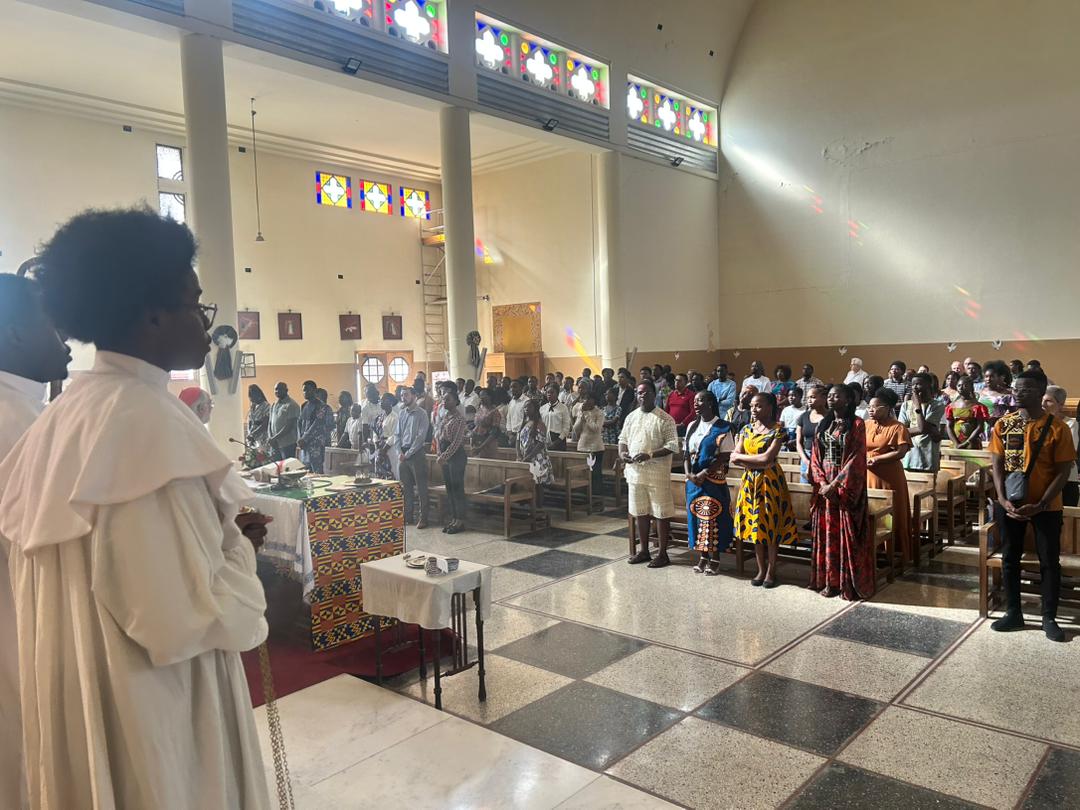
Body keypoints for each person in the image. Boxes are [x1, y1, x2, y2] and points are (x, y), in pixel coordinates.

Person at [0, 207, 269, 808]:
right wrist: (241, 553)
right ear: (152, 315)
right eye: (196, 307)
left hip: (83, 686)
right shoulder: (142, 424)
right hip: (153, 704)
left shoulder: (68, 413)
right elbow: (176, 617)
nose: (207, 327)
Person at [0, 274, 71, 808]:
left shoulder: (28, 413)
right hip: (23, 616)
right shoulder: (20, 423)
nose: (65, 340)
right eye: (52, 326)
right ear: (13, 333)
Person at [988, 370, 1075, 641]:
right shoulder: (1004, 424)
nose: (1017, 393)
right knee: (1010, 558)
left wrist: (1041, 503)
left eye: (1025, 389)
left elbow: (1063, 471)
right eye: (1016, 389)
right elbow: (997, 465)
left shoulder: (1057, 428)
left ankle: (1049, 617)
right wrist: (1002, 499)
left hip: (1046, 507)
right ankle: (1014, 612)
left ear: (1040, 392)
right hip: (1010, 505)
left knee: (1049, 561)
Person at [808, 384, 874, 600]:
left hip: (845, 488)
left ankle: (846, 583)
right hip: (824, 485)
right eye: (829, 396)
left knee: (845, 535)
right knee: (827, 533)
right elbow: (815, 456)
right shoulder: (824, 424)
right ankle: (828, 581)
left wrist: (834, 485)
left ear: (847, 400)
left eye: (836, 396)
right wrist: (821, 482)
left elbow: (856, 458)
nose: (831, 399)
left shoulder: (857, 424)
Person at [731, 392, 798, 586]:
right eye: (752, 405)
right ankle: (760, 570)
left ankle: (771, 571)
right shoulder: (746, 429)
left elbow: (767, 458)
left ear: (770, 407)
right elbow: (734, 457)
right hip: (750, 482)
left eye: (759, 405)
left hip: (770, 481)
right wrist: (754, 461)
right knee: (756, 525)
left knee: (770, 526)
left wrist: (746, 459)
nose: (754, 409)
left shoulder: (778, 430)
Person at [620, 380, 680, 568]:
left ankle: (662, 554)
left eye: (646, 393)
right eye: (639, 393)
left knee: (661, 513)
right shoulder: (631, 417)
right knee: (641, 512)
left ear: (654, 395)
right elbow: (622, 439)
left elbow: (672, 445)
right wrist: (622, 454)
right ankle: (644, 551)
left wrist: (650, 455)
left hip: (657, 475)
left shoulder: (665, 418)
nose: (642, 396)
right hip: (636, 474)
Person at [684, 390, 736, 575]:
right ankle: (703, 556)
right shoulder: (692, 425)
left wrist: (705, 472)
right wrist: (689, 474)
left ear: (711, 403)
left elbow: (725, 455)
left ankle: (715, 558)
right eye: (695, 400)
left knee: (713, 518)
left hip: (713, 480)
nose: (696, 403)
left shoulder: (723, 427)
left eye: (701, 400)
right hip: (693, 481)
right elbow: (686, 454)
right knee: (697, 519)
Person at [864, 389, 913, 559]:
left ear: (887, 408)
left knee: (892, 511)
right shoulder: (866, 425)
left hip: (889, 475)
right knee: (872, 509)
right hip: (868, 474)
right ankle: (873, 548)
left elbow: (901, 451)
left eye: (875, 407)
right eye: (869, 407)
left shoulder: (897, 427)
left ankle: (895, 551)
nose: (871, 410)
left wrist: (877, 459)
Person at [396, 385, 432, 527]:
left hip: (416, 453)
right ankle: (408, 516)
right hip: (403, 453)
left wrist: (408, 453)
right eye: (401, 395)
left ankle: (423, 518)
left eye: (406, 394)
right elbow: (397, 434)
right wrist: (399, 452)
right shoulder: (402, 413)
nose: (403, 397)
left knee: (421, 487)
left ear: (414, 396)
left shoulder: (422, 414)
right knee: (406, 487)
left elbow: (420, 437)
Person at [435, 385, 468, 534]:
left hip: (456, 457)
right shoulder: (445, 417)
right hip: (445, 455)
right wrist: (439, 453)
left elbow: (456, 442)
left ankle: (460, 520)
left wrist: (444, 456)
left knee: (457, 488)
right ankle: (453, 518)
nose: (444, 402)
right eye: (443, 399)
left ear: (455, 401)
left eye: (448, 399)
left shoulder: (460, 419)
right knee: (449, 489)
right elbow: (438, 436)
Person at [900, 373, 946, 474]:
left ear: (929, 385)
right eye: (913, 384)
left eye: (918, 384)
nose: (915, 387)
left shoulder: (937, 405)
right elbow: (901, 431)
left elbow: (923, 428)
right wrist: (927, 429)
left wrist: (917, 406)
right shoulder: (906, 405)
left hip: (928, 458)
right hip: (909, 456)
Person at [1042, 386, 1079, 508]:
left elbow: (1068, 454)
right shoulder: (1036, 424)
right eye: (1042, 400)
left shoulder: (1071, 425)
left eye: (1048, 401)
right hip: (1042, 479)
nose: (1043, 404)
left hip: (1066, 480)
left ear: (1061, 405)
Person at [518, 398, 553, 523]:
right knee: (529, 484)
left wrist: (528, 456)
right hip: (525, 457)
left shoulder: (540, 424)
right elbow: (518, 440)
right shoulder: (525, 423)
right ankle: (530, 508)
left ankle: (538, 509)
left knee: (538, 485)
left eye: (529, 407)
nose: (526, 409)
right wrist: (519, 454)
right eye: (525, 407)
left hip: (537, 459)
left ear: (535, 409)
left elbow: (540, 444)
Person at [573, 390, 606, 508]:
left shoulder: (599, 413)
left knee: (595, 475)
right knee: (584, 474)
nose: (586, 401)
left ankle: (597, 501)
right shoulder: (582, 411)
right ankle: (585, 499)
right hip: (583, 446)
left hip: (595, 447)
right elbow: (575, 429)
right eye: (585, 399)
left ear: (594, 400)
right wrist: (580, 417)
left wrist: (586, 415)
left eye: (589, 399)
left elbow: (596, 429)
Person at [946, 375, 989, 449]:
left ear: (971, 388)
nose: (961, 388)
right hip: (955, 444)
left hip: (972, 444)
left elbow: (980, 427)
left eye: (965, 385)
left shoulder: (978, 407)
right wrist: (956, 443)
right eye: (959, 385)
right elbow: (949, 426)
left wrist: (967, 442)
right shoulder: (951, 406)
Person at [978, 360, 1017, 440]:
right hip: (980, 429)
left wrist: (999, 418)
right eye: (986, 376)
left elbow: (1014, 414)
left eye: (992, 376)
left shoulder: (1006, 395)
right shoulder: (978, 394)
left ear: (998, 377)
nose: (988, 379)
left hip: (998, 429)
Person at [297, 380, 331, 473]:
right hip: (304, 444)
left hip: (316, 444)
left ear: (315, 391)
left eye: (308, 390)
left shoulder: (321, 406)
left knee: (317, 471)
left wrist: (304, 438)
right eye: (304, 390)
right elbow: (299, 422)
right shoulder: (304, 405)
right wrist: (299, 438)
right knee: (306, 471)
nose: (305, 392)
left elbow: (316, 424)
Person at [797, 385, 829, 484]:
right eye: (808, 398)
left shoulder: (830, 417)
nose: (809, 401)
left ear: (824, 398)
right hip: (806, 457)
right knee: (806, 488)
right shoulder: (803, 416)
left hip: (825, 458)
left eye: (813, 397)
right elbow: (798, 442)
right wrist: (806, 460)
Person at [268, 381, 300, 460]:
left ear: (286, 390)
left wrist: (274, 438)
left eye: (280, 389)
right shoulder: (274, 404)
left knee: (287, 466)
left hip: (287, 444)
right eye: (276, 389)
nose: (277, 391)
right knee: (276, 466)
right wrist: (270, 438)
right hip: (275, 444)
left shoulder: (292, 405)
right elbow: (270, 423)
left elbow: (289, 426)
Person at [372, 392, 400, 479]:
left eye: (383, 400)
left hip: (390, 448)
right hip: (379, 447)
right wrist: (376, 443)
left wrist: (384, 449)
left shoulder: (395, 417)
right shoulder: (379, 417)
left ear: (390, 402)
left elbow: (394, 435)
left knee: (392, 470)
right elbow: (375, 431)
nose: (381, 402)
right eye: (381, 400)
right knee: (380, 471)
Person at [472, 388, 503, 458]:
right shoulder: (480, 408)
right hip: (477, 441)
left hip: (487, 444)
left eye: (483, 396)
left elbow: (494, 433)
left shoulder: (494, 412)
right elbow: (477, 426)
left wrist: (481, 447)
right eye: (480, 396)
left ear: (490, 397)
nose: (481, 398)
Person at [540, 383, 572, 450]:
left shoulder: (563, 408)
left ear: (557, 394)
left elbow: (566, 427)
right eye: (548, 392)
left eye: (552, 392)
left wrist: (557, 441)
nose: (549, 394)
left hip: (558, 439)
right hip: (545, 439)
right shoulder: (542, 408)